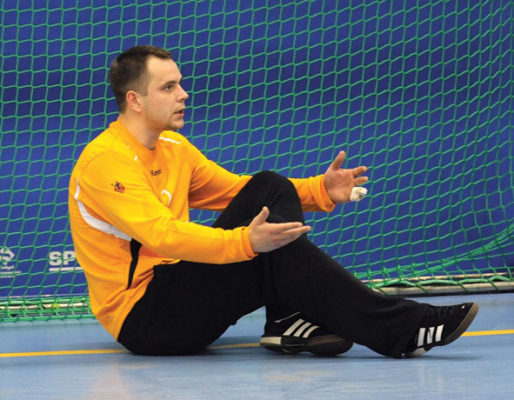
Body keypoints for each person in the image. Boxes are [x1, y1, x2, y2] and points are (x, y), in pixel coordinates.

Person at [68, 45, 478, 358]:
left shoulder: (174, 147)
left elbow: (235, 191)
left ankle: (287, 318)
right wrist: (246, 242)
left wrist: (321, 190)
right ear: (134, 100)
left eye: (180, 83)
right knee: (268, 239)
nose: (184, 94)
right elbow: (164, 235)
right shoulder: (107, 162)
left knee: (270, 186)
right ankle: (401, 327)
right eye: (169, 87)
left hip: (179, 290)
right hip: (147, 320)